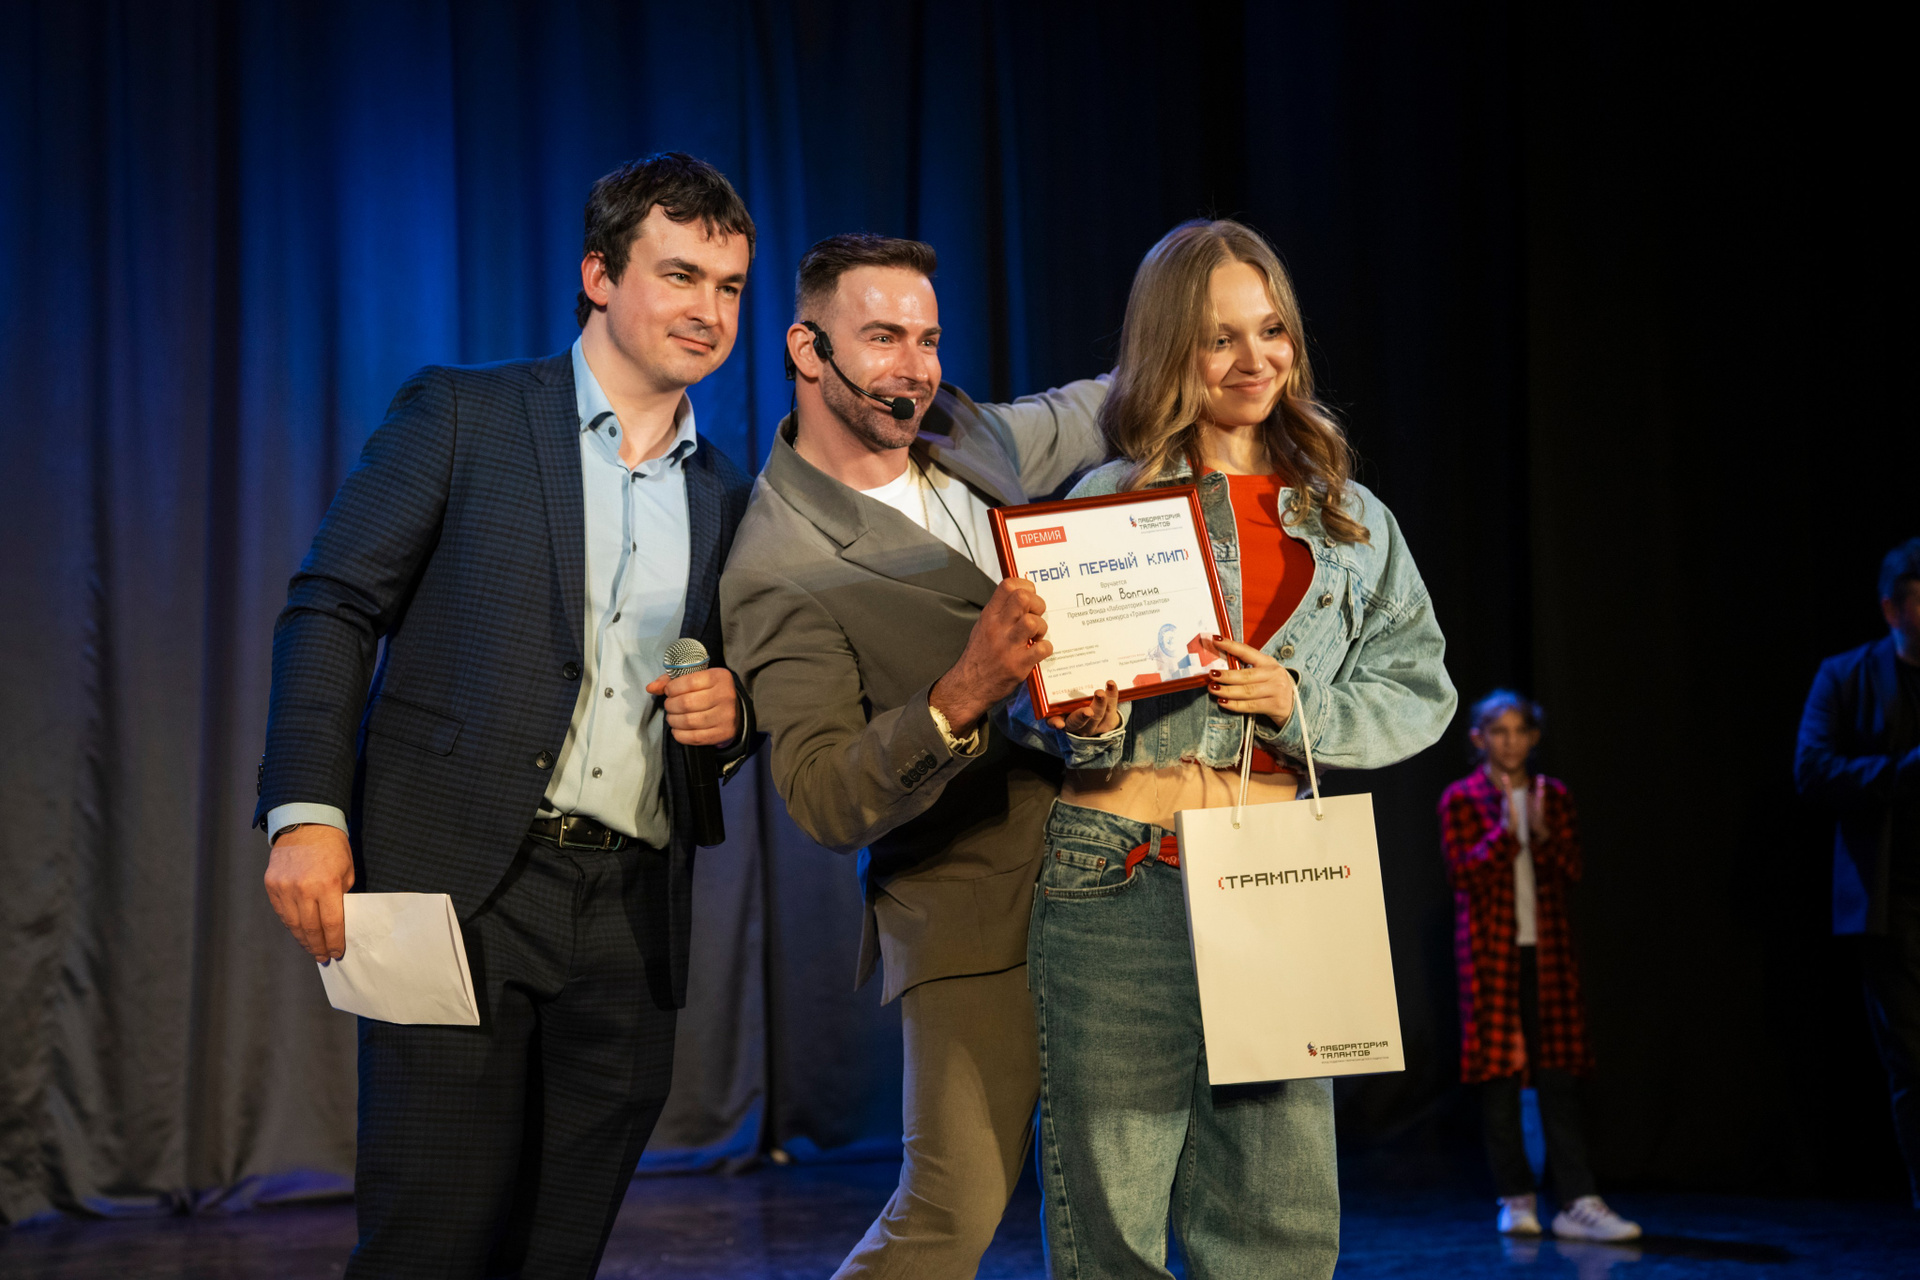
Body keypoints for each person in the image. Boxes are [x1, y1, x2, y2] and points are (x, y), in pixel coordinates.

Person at [255, 153, 760, 1278]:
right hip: (459, 885)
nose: (710, 309)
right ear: (598, 275)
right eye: (681, 276)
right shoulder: (464, 413)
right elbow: (332, 604)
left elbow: (733, 699)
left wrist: (735, 719)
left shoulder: (727, 493)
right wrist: (307, 813)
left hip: (633, 913)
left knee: (557, 1254)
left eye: (730, 286)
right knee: (428, 1244)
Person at [1001, 218, 1456, 1279]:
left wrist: (1302, 704)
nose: (1255, 360)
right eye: (1220, 338)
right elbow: (1037, 699)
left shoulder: (1349, 517)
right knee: (1112, 1225)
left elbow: (1420, 688)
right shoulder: (1106, 501)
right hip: (1114, 873)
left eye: (1272, 331)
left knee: (1276, 1226)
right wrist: (1081, 717)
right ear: (1171, 348)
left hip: (1279, 877)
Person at [718, 232, 1108, 1278]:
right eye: (883, 337)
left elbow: (1098, 407)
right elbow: (822, 794)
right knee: (949, 1211)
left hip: (1114, 866)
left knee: (1127, 1194)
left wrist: (1204, 338)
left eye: (928, 338)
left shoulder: (963, 432)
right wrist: (963, 689)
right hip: (970, 901)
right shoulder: (776, 559)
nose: (916, 365)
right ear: (807, 349)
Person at [1438, 691, 1641, 1241]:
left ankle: (1576, 1201)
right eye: (1497, 731)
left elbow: (1571, 870)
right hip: (1490, 956)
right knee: (1499, 1080)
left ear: (1533, 738)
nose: (1509, 742)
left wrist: (1542, 834)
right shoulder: (1462, 798)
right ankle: (1516, 1197)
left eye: (1518, 731)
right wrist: (1505, 834)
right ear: (1480, 738)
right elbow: (1461, 875)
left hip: (1547, 954)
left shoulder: (1554, 796)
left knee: (1557, 1079)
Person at [1796, 537, 1920, 1207]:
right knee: (1914, 1057)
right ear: (1891, 608)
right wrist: (1902, 773)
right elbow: (1813, 771)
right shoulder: (1846, 675)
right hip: (1892, 896)